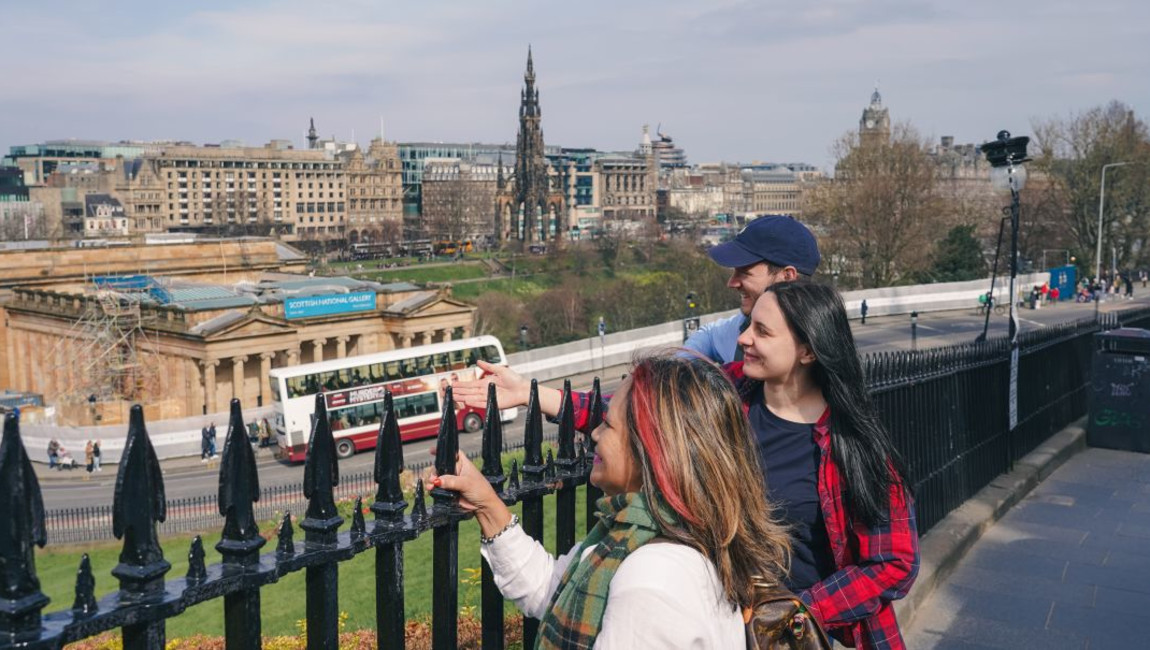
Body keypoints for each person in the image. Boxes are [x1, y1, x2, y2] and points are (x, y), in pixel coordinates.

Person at [441, 353, 792, 649]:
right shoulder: (655, 533)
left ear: (651, 452)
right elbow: (551, 589)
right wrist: (487, 505)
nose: (594, 434)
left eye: (608, 425)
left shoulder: (651, 580)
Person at [730, 281, 918, 648]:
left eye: (762, 331)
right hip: (717, 618)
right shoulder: (726, 396)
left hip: (790, 638)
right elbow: (644, 404)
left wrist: (798, 611)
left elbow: (894, 562)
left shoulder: (853, 445)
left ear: (807, 351)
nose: (744, 338)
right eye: (749, 325)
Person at [683, 215, 821, 363]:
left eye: (745, 273)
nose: (731, 283)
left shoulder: (827, 345)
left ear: (787, 276)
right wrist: (678, 365)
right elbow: (710, 335)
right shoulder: (742, 325)